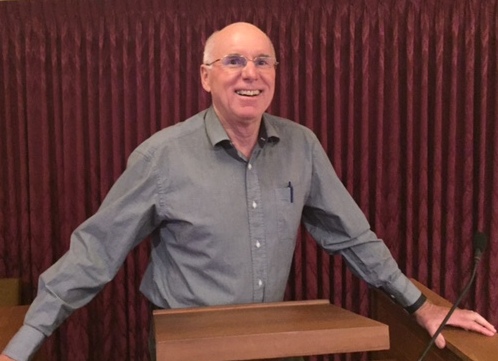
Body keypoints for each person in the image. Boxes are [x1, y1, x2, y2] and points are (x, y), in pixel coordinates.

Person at [1, 22, 495, 361]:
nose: (250, 73)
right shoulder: (161, 157)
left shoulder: (302, 146)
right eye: (233, 60)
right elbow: (94, 253)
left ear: (275, 74)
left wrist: (419, 305)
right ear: (205, 76)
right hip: (186, 347)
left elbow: (353, 237)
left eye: (263, 61)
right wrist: (22, 344)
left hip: (271, 342)